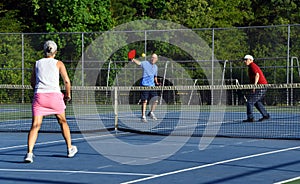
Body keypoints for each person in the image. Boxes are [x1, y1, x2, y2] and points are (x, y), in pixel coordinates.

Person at [24, 40, 78, 163]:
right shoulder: (59, 63)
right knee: (63, 122)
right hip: (55, 96)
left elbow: (32, 81)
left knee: (35, 125)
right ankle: (70, 148)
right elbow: (67, 82)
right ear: (55, 52)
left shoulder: (37, 63)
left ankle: (29, 153)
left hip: (40, 97)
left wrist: (38, 91)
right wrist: (68, 95)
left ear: (44, 51)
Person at [132, 53, 160, 123]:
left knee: (156, 101)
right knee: (144, 101)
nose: (153, 59)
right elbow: (139, 63)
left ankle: (151, 112)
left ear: (156, 59)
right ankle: (143, 116)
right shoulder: (145, 63)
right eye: (152, 57)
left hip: (152, 86)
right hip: (145, 85)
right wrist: (133, 59)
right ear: (151, 58)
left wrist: (157, 82)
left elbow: (155, 76)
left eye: (154, 58)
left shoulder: (156, 67)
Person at [242, 55, 270, 122]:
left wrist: (254, 86)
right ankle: (265, 115)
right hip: (261, 86)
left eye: (246, 59)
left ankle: (250, 118)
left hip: (261, 87)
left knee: (250, 102)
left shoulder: (252, 65)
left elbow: (257, 75)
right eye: (244, 60)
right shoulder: (250, 67)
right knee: (256, 102)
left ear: (251, 60)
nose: (244, 61)